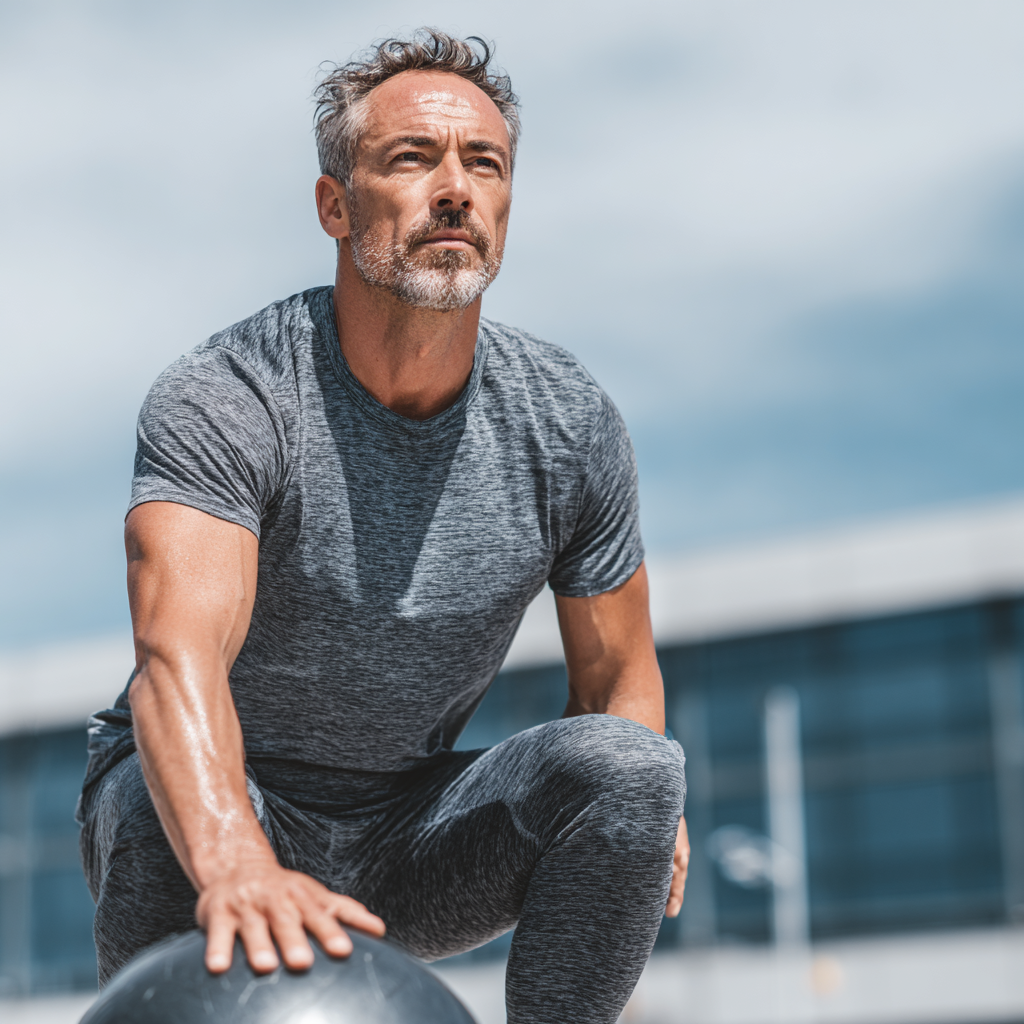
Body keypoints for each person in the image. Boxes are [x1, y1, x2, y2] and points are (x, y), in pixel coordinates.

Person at [77, 30, 688, 1024]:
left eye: (482, 164)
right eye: (412, 158)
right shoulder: (231, 394)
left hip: (408, 829)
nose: (454, 188)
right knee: (153, 799)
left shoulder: (566, 423)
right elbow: (174, 660)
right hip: (214, 803)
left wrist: (636, 819)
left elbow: (618, 675)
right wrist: (234, 858)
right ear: (335, 204)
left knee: (635, 769)